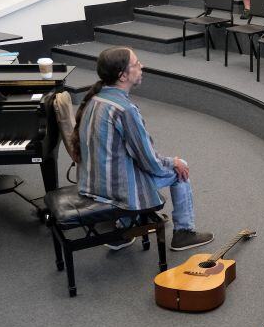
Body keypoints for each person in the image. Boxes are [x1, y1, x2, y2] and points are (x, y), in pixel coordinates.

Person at [73, 47, 214, 251]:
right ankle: (183, 232)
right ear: (123, 75)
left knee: (135, 164)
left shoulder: (94, 100)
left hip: (92, 183)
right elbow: (150, 162)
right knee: (180, 169)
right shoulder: (125, 110)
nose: (142, 67)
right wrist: (174, 162)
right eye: (137, 64)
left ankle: (125, 228)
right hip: (116, 190)